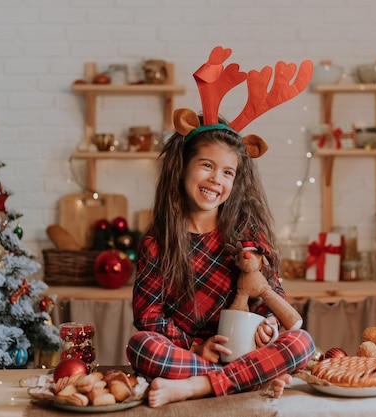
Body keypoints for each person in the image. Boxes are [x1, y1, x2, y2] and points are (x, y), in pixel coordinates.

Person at [125, 117, 315, 407]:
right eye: (207, 165)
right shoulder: (158, 243)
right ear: (182, 166)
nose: (217, 179)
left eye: (228, 172)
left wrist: (269, 327)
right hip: (190, 354)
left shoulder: (247, 237)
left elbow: (273, 300)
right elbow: (148, 316)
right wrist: (196, 346)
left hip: (246, 351)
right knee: (142, 347)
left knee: (302, 343)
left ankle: (198, 386)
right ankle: (248, 380)